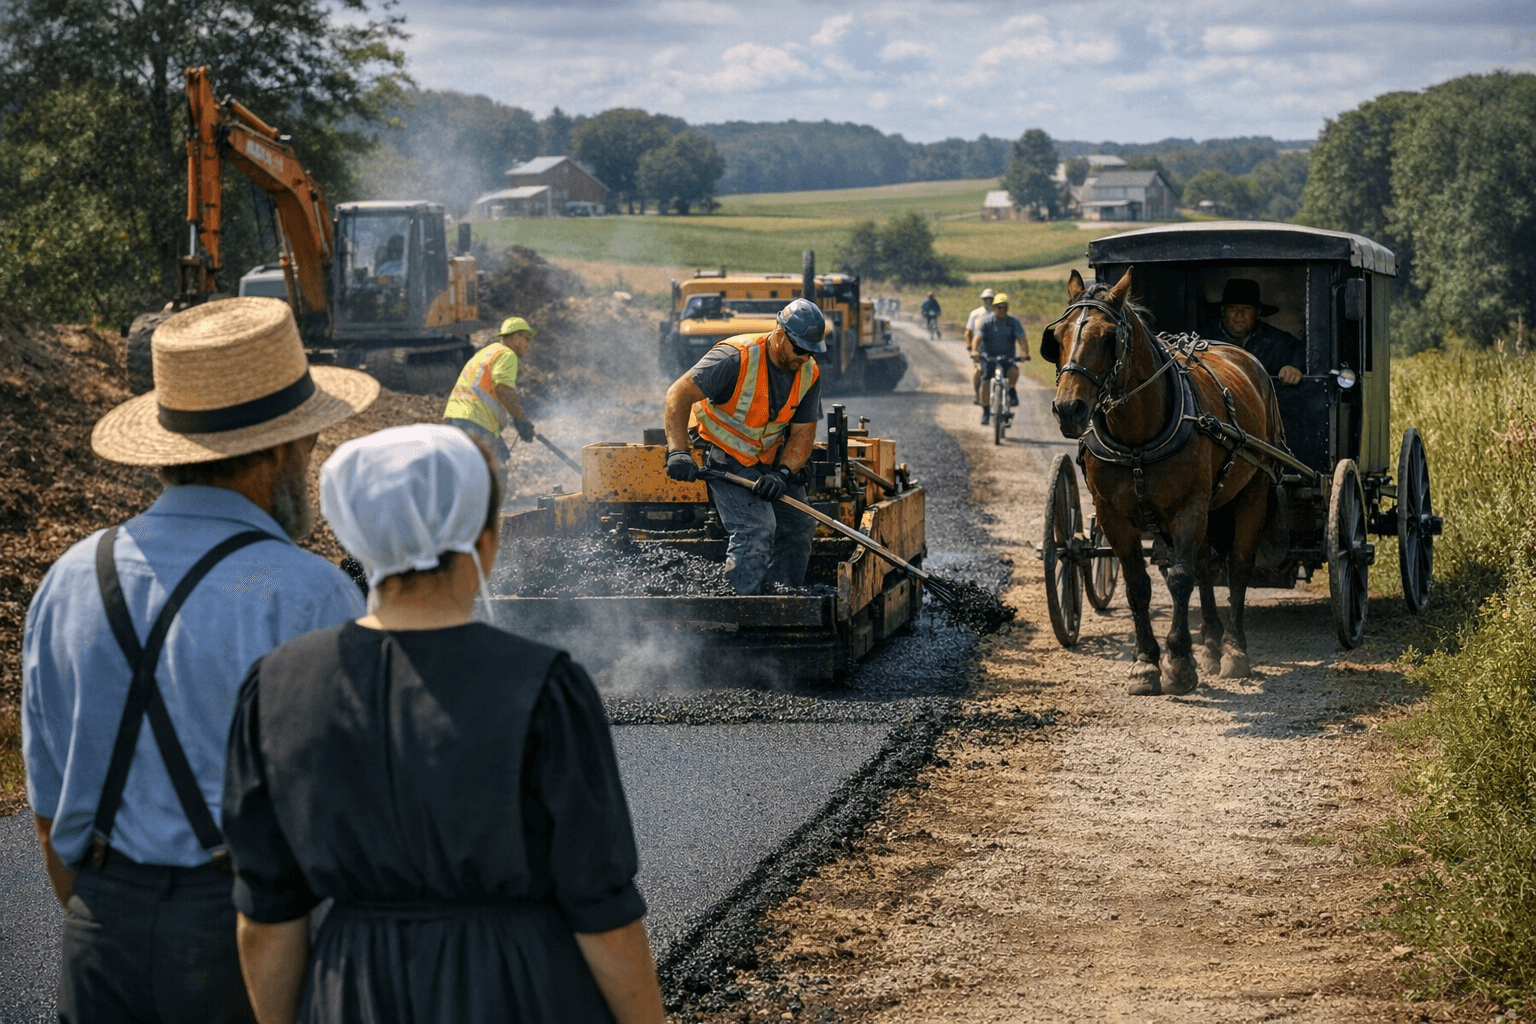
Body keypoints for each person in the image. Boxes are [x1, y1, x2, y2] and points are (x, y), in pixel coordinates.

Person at [222, 424, 665, 1024]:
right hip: (513, 986)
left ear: (355, 540)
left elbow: (267, 915)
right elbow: (601, 906)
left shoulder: (276, 686)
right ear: (485, 541)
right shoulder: (545, 686)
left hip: (352, 988)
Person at [21, 297, 378, 1023]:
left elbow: (50, 816)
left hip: (100, 936)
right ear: (277, 452)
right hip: (248, 938)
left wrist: (117, 912)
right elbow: (352, 816)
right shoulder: (311, 594)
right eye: (306, 443)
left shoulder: (69, 579)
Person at [662, 297, 825, 596]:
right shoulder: (735, 357)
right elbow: (678, 394)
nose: (805, 358)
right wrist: (678, 451)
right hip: (722, 453)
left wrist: (782, 474)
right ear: (780, 334)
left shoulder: (809, 373)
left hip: (766, 460)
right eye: (800, 349)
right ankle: (739, 605)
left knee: (800, 524)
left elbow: (803, 435)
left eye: (812, 351)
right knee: (756, 529)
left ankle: (781, 597)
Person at [444, 315, 537, 468]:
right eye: (526, 339)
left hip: (455, 417)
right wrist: (520, 419)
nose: (528, 344)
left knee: (464, 470)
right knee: (494, 472)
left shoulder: (486, 352)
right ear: (515, 337)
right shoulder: (507, 354)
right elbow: (503, 390)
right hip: (477, 419)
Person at [1215, 278, 1305, 385]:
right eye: (1233, 308)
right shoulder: (1205, 340)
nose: (1239, 314)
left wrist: (1294, 368)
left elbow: (1303, 356)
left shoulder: (1280, 342)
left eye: (1247, 308)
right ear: (1223, 311)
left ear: (1258, 312)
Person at [972, 292, 1030, 425]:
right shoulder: (986, 322)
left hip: (1007, 357)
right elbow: (977, 338)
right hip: (988, 357)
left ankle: (1012, 390)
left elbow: (1022, 340)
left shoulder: (1013, 322)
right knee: (985, 382)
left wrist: (1024, 353)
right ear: (994, 308)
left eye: (1005, 307)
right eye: (999, 307)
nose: (1003, 310)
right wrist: (975, 351)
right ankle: (986, 412)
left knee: (1014, 370)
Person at [965, 288, 996, 401]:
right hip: (979, 347)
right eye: (986, 299)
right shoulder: (975, 314)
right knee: (979, 370)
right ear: (983, 300)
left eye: (990, 299)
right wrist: (971, 347)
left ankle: (1001, 395)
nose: (988, 301)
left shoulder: (999, 313)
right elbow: (968, 332)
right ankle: (977, 393)